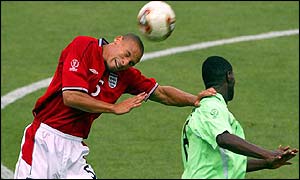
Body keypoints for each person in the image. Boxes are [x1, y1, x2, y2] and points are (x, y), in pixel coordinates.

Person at [14, 33, 216, 179]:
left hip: (74, 148)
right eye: (126, 53)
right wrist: (114, 108)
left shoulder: (125, 76)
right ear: (117, 40)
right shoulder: (84, 46)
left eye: (131, 62)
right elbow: (71, 96)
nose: (125, 62)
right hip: (44, 141)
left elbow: (161, 93)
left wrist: (194, 99)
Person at [180, 56, 298, 179]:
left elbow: (228, 162)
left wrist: (266, 163)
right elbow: (224, 139)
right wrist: (268, 154)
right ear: (229, 76)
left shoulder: (209, 109)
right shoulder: (211, 107)